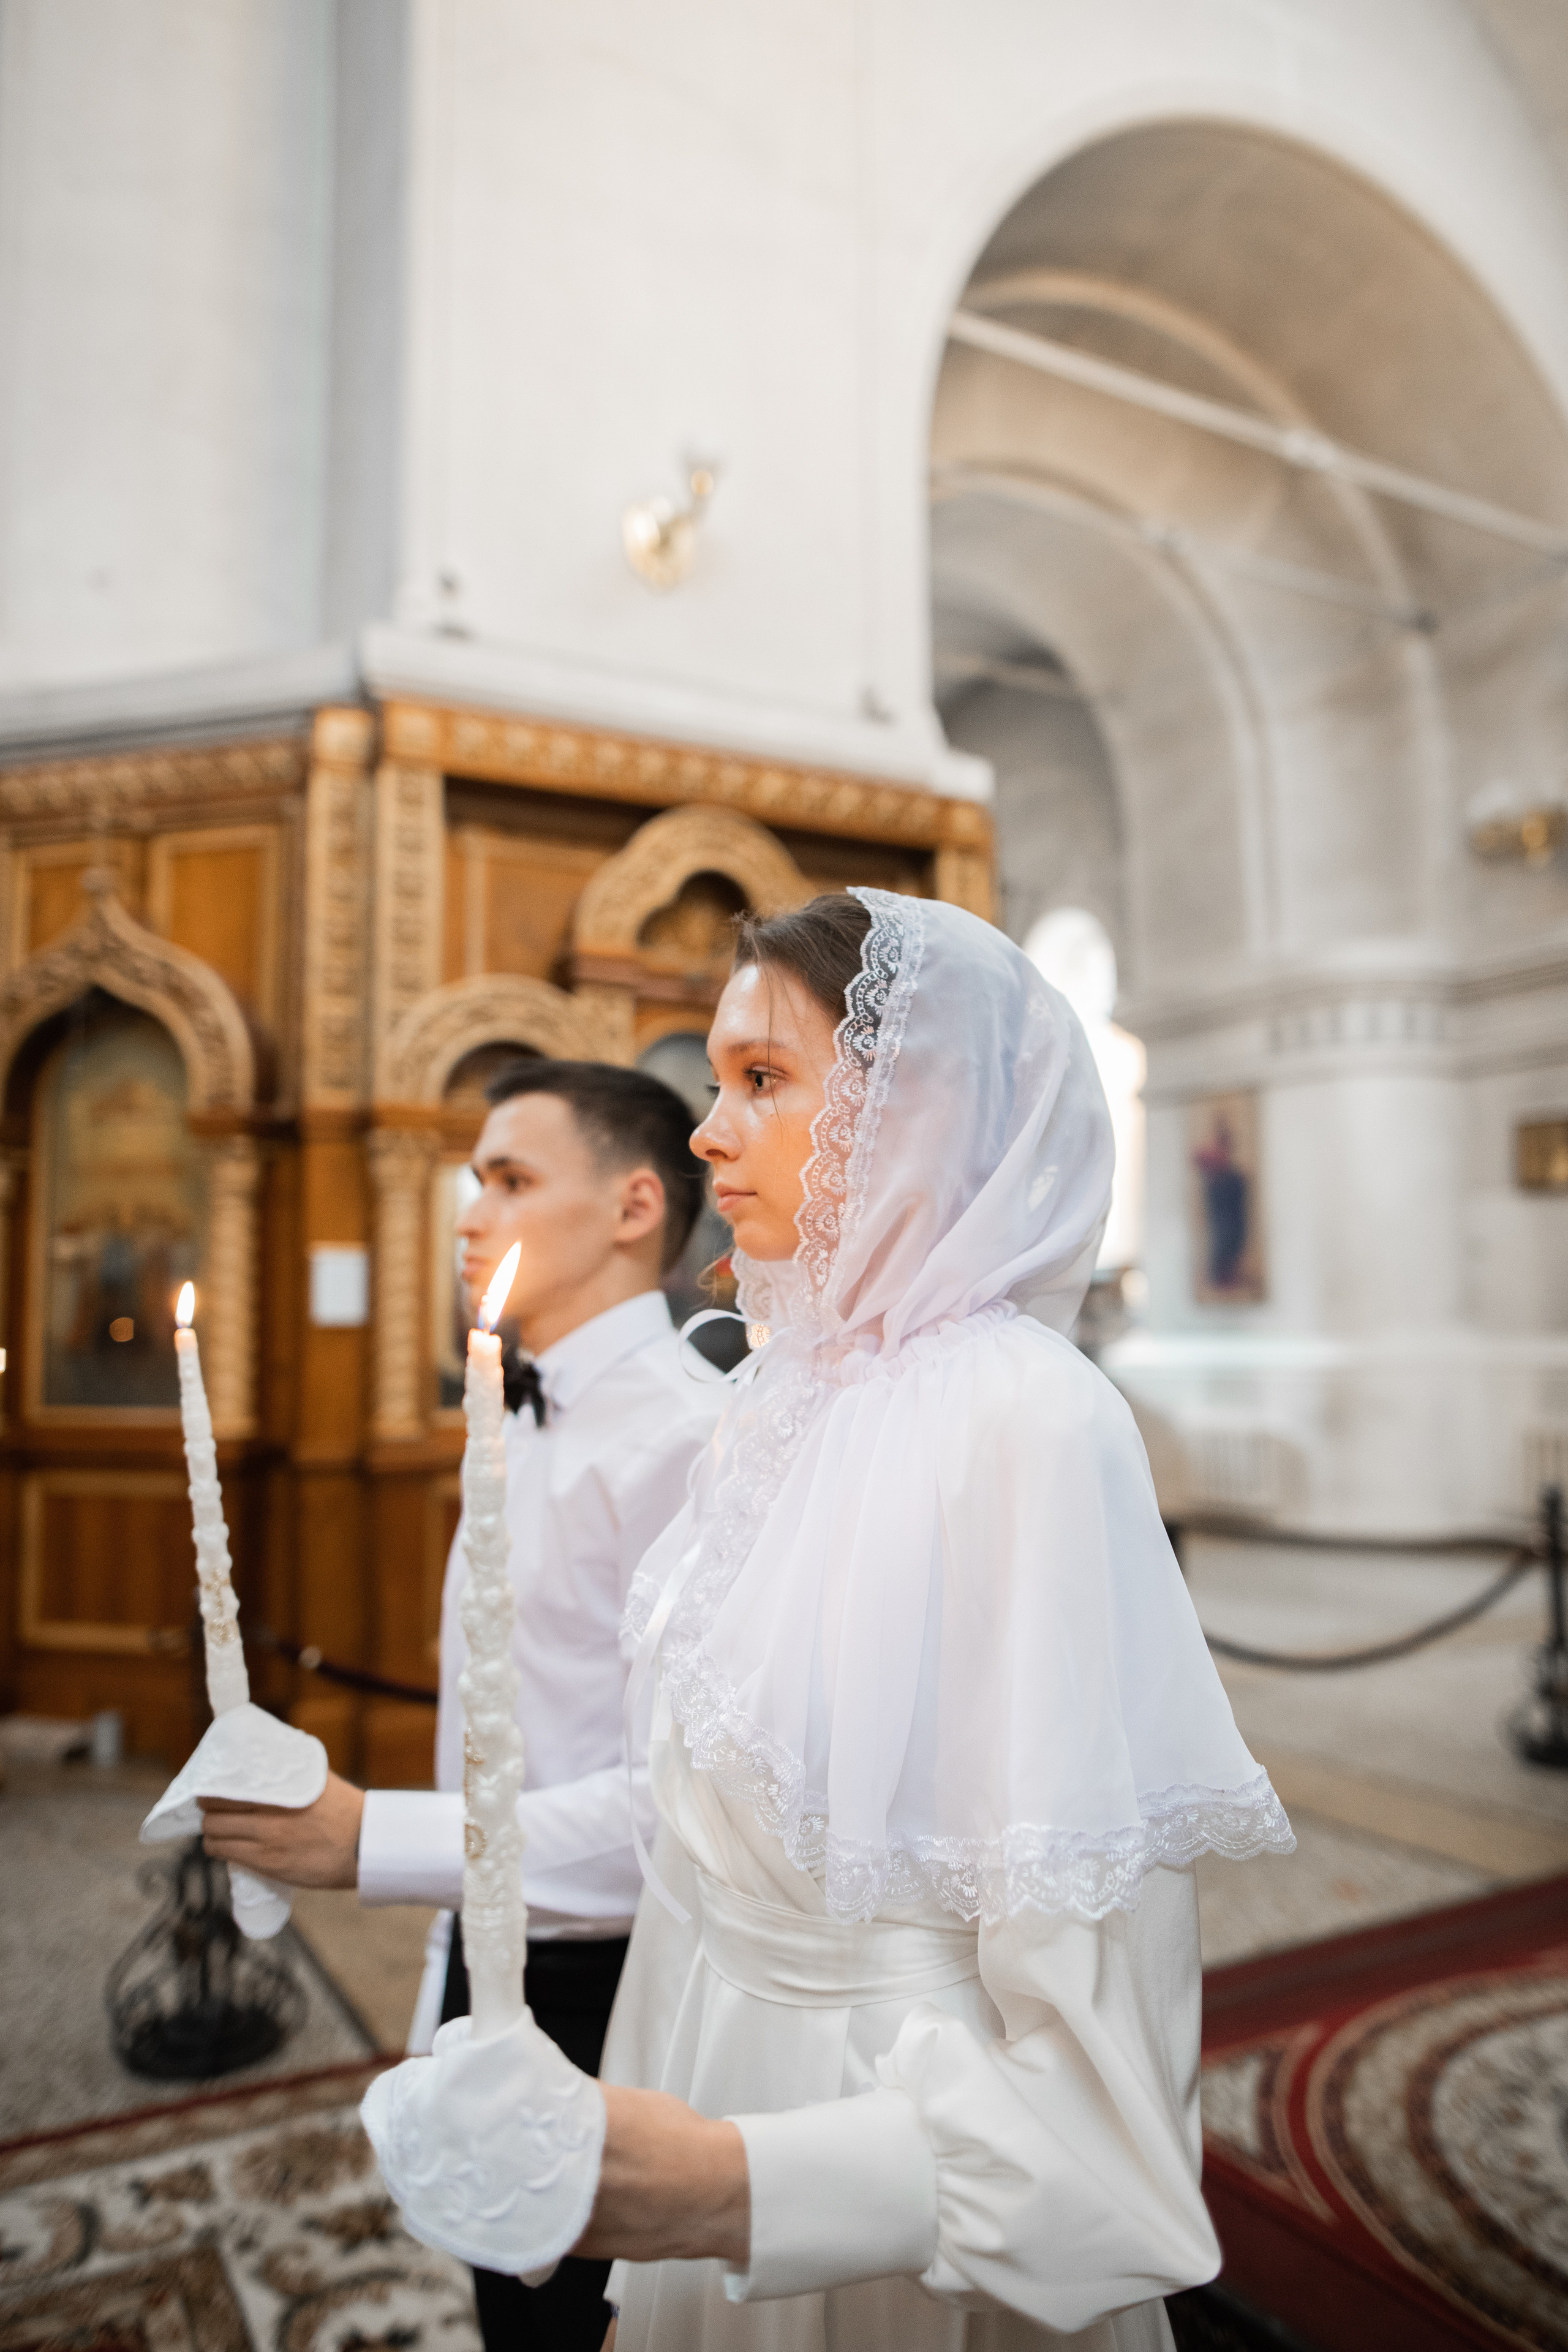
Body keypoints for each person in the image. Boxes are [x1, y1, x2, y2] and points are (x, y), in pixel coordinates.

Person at [368, 892, 1295, 2351]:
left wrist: (737, 2188)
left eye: (760, 1081)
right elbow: (700, 1882)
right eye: (714, 1084)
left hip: (872, 2185)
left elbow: (1110, 2123)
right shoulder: (772, 1399)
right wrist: (639, 2190)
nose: (703, 1135)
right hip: (705, 2089)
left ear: (914, 1110)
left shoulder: (1025, 1422)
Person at [201, 1058, 724, 2352]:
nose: (467, 1210)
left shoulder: (681, 1440)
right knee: (501, 2296)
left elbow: (681, 1813)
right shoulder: (523, 1403)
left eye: (510, 1178)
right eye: (469, 1178)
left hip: (614, 1978)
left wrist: (367, 1836)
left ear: (633, 1207)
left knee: (575, 2318)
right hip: (491, 1936)